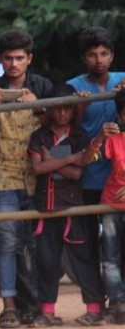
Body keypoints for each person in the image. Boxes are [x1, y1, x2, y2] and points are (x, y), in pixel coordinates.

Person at [0, 29, 53, 329]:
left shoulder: (43, 86)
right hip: (4, 174)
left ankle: (37, 305)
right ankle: (8, 307)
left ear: (29, 59)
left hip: (38, 174)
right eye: (8, 58)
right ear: (0, 59)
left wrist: (38, 105)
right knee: (7, 243)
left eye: (19, 58)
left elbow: (55, 123)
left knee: (36, 245)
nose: (13, 64)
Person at [27, 84, 106, 327]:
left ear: (73, 110)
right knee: (46, 261)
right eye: (57, 108)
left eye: (67, 109)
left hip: (71, 206)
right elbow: (37, 168)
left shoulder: (79, 136)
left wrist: (53, 161)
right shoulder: (39, 135)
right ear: (49, 110)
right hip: (46, 207)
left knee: (83, 258)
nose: (62, 113)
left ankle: (94, 309)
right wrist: (70, 159)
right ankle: (47, 311)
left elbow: (76, 175)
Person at [67, 27, 125, 207]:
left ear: (112, 56)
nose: (99, 60)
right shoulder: (73, 87)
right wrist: (79, 109)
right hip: (90, 169)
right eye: (92, 55)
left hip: (121, 171)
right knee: (92, 230)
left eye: (104, 53)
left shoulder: (123, 79)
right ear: (84, 58)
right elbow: (70, 130)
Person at [91, 89, 125, 324]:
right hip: (112, 203)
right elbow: (91, 157)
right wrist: (99, 138)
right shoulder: (113, 140)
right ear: (120, 116)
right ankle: (118, 302)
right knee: (110, 257)